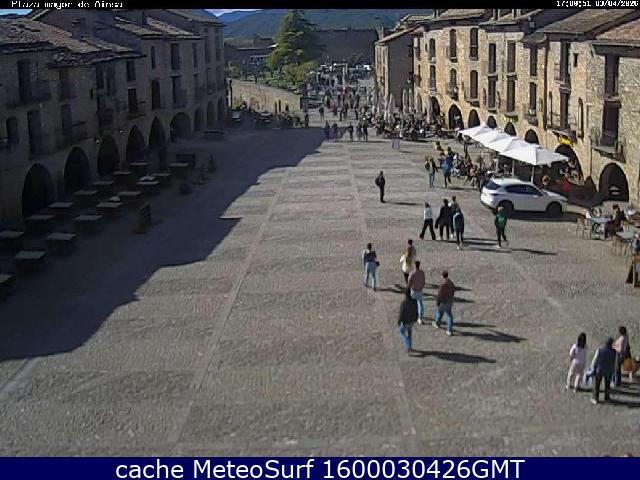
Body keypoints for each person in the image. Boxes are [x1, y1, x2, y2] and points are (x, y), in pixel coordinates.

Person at [590, 337, 616, 404]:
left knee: (597, 385)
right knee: (607, 385)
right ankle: (607, 397)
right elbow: (614, 362)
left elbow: (595, 360)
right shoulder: (614, 352)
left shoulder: (600, 350)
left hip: (600, 369)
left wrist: (593, 367)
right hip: (608, 370)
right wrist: (613, 370)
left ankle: (595, 398)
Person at [433, 270, 455, 335]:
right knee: (449, 315)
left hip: (443, 302)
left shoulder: (442, 284)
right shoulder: (451, 282)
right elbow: (453, 291)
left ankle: (437, 323)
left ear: (442, 276)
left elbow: (439, 294)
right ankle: (449, 330)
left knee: (439, 313)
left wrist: (438, 301)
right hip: (449, 301)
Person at [397, 288, 418, 353]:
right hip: (411, 321)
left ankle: (408, 344)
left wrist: (399, 321)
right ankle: (410, 347)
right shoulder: (414, 301)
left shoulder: (403, 303)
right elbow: (416, 311)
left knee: (401, 332)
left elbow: (401, 314)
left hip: (405, 322)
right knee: (409, 333)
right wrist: (416, 319)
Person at [408, 261, 426, 325]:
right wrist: (421, 286)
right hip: (420, 290)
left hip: (413, 290)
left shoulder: (412, 273)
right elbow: (424, 281)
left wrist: (409, 288)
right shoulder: (422, 272)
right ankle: (420, 318)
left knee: (412, 303)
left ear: (414, 265)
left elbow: (409, 282)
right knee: (420, 304)